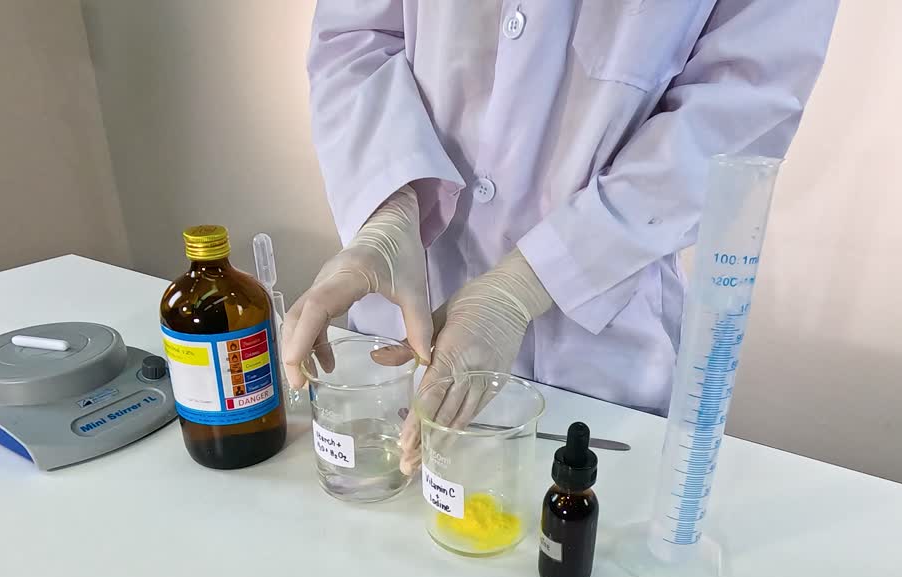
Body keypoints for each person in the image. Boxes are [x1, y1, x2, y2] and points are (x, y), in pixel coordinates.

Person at [288, 1, 839, 472]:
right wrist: (389, 210)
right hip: (399, 331)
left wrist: (525, 285)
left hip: (596, 361)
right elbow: (356, 37)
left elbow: (738, 111)